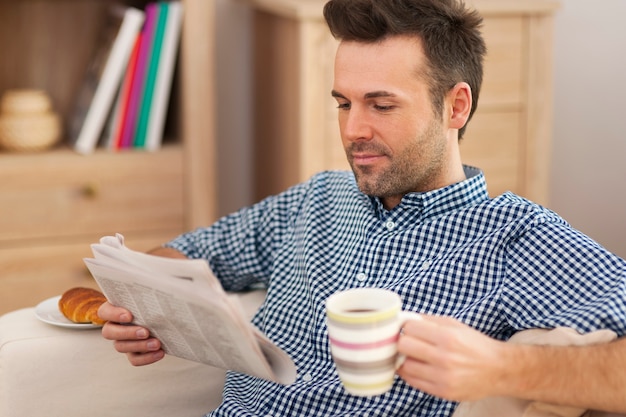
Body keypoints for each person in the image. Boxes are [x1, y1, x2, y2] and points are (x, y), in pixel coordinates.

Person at [98, 0, 626, 415]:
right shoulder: (318, 199)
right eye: (343, 103)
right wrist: (139, 308)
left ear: (456, 106)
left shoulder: (516, 236)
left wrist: (503, 367)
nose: (353, 130)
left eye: (381, 104)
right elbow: (184, 256)